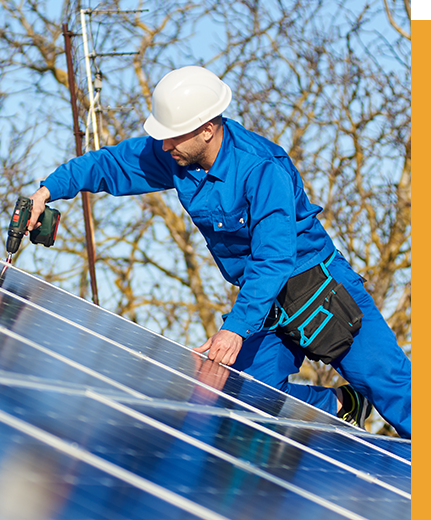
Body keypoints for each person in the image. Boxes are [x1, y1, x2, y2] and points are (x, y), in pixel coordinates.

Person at [27, 66, 411, 438]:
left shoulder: (261, 167)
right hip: (263, 302)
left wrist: (235, 329)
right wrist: (48, 190)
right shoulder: (176, 156)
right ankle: (341, 407)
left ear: (208, 129)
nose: (164, 145)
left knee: (395, 389)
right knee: (240, 401)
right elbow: (108, 164)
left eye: (173, 136)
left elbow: (274, 257)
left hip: (316, 288)